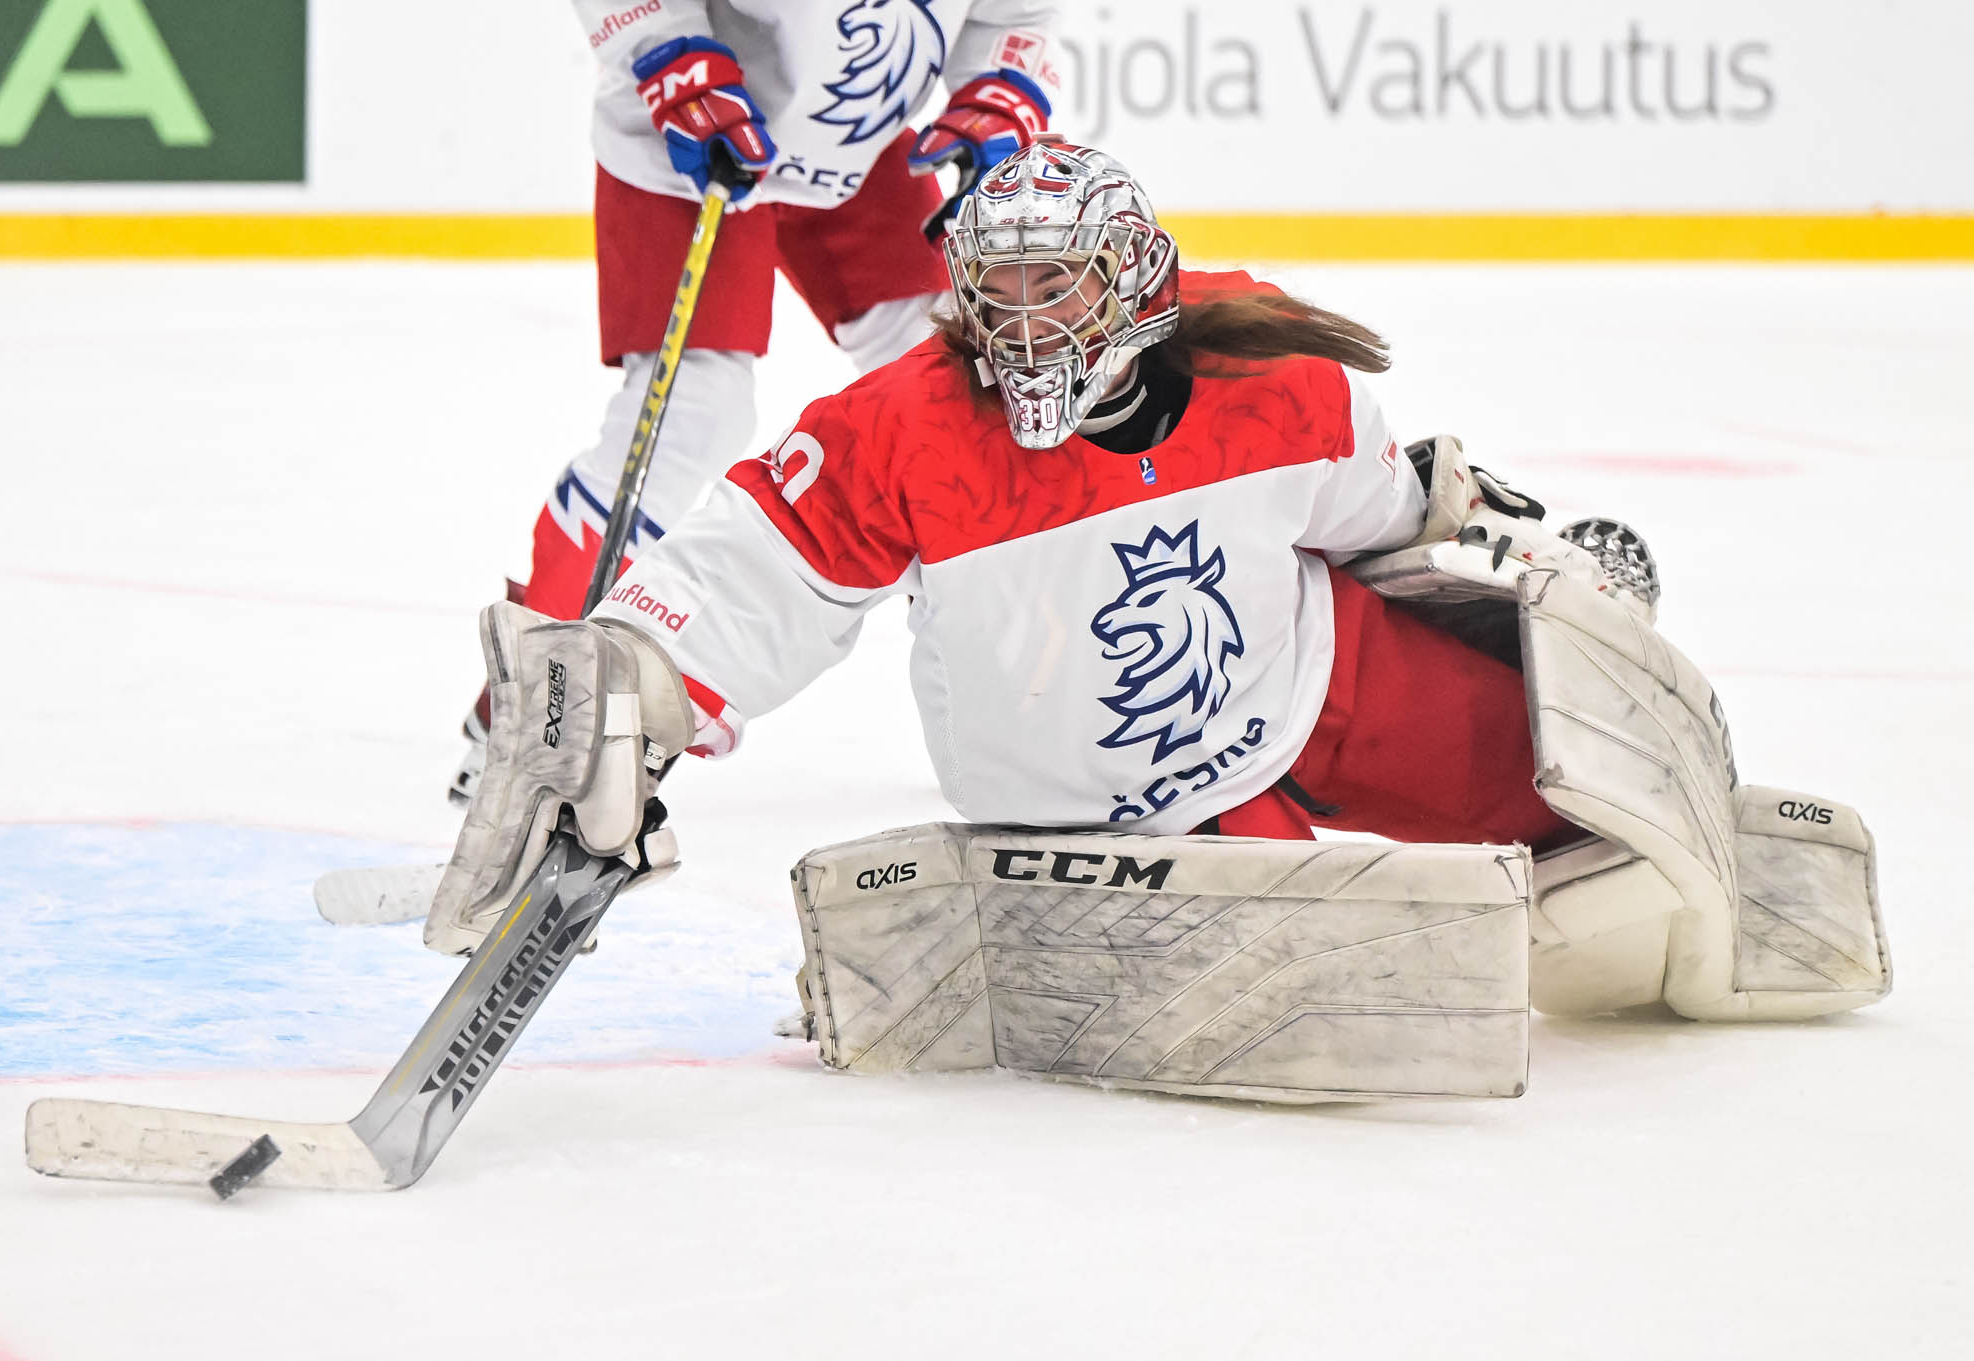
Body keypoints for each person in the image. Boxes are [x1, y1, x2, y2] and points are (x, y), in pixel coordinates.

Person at [421, 138, 1673, 958]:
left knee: (1602, 808)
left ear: (1131, 283)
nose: (1021, 326)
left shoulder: (1273, 374)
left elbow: (1378, 519)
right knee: (1294, 969)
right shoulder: (906, 427)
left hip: (1316, 685)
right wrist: (621, 696)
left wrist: (1490, 539)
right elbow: (751, 572)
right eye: (998, 289)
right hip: (1111, 818)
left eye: (1054, 286)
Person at [448, 1, 1065, 801]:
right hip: (692, 135)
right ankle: (533, 700)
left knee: (955, 393)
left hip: (860, 145)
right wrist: (665, 49)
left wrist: (997, 82)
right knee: (693, 414)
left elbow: (1016, 14)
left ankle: (1014, 704)